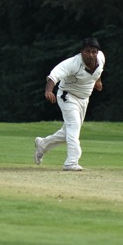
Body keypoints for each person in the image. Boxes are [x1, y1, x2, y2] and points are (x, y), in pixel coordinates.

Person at [34, 37, 105, 171]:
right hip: (68, 96)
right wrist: (49, 91)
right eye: (87, 51)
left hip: (84, 99)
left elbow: (99, 70)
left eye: (93, 52)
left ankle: (42, 144)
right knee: (74, 126)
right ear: (81, 51)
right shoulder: (72, 63)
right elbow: (53, 76)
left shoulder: (101, 58)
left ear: (97, 52)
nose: (91, 55)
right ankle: (71, 162)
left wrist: (98, 81)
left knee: (68, 132)